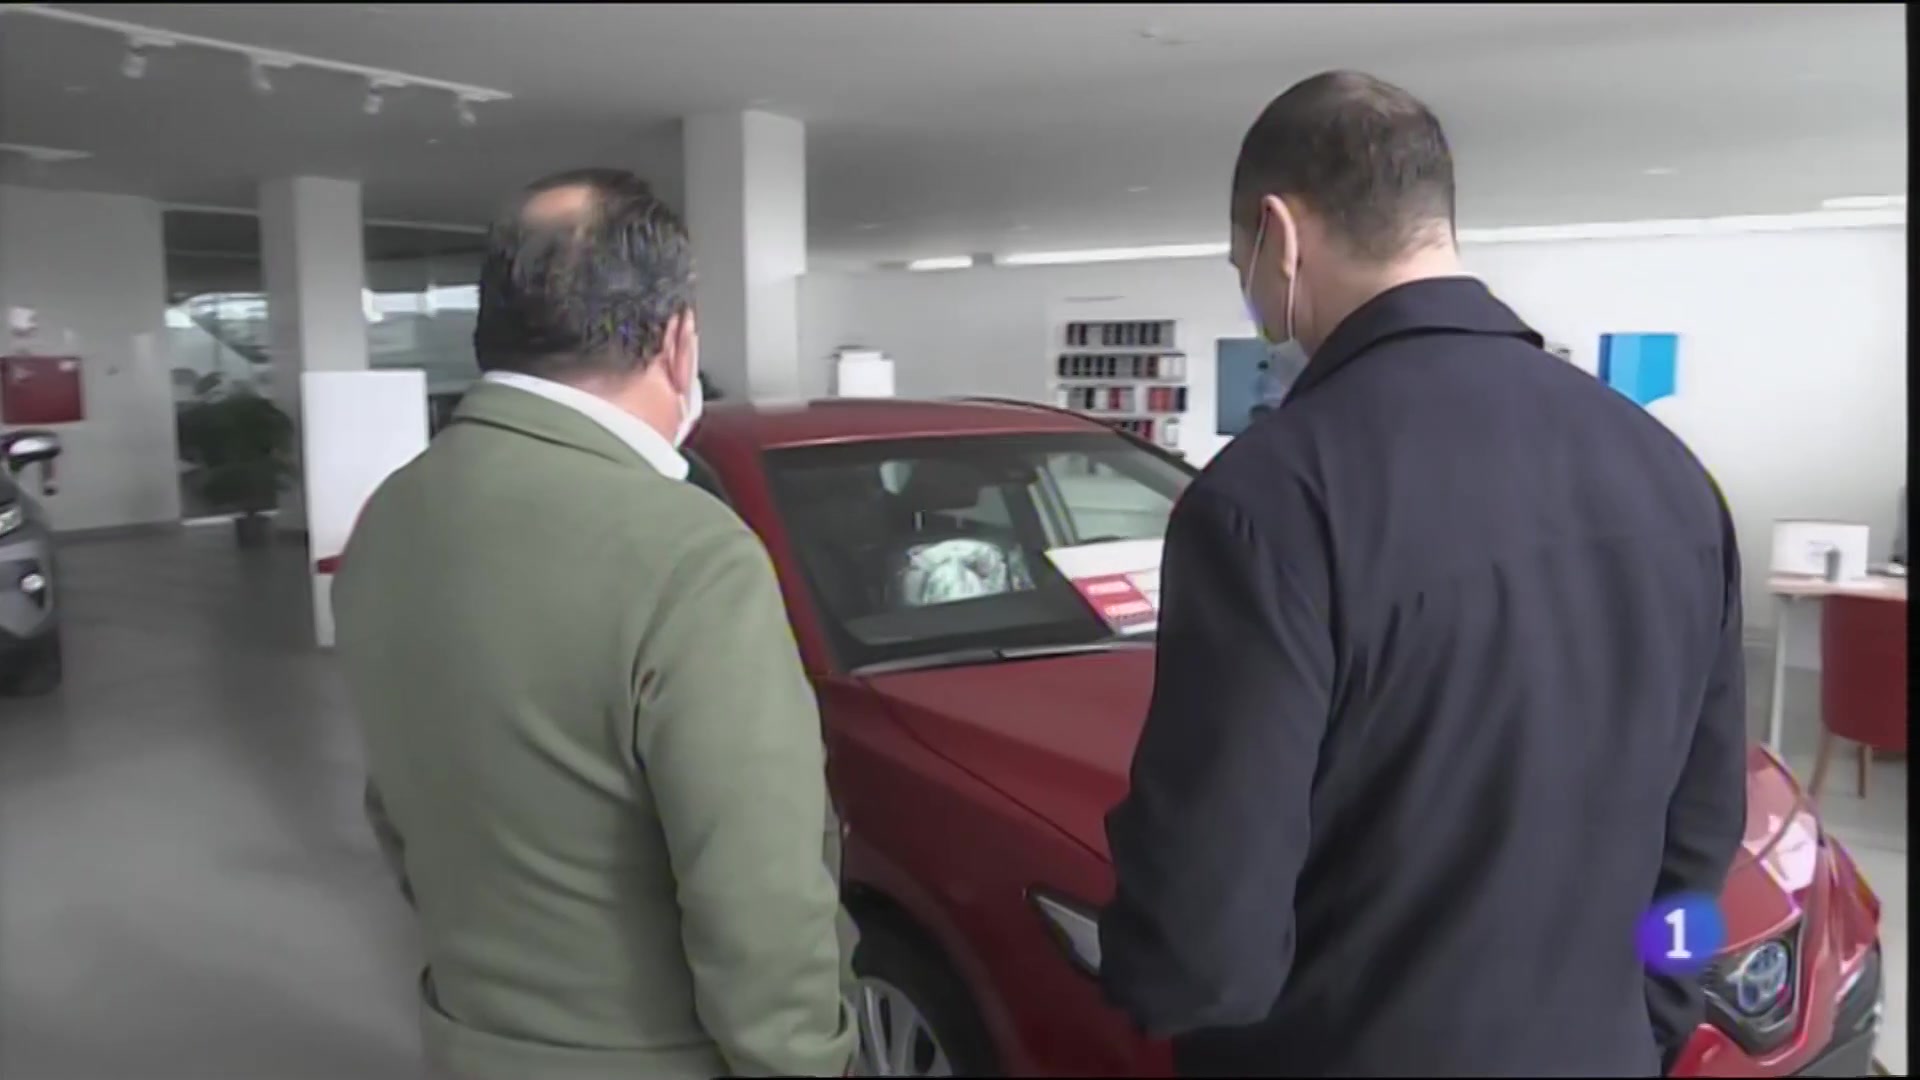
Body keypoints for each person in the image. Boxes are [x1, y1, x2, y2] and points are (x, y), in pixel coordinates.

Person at [1099, 72, 1746, 1077]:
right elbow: (1702, 836)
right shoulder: (1670, 473)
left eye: (1239, 262)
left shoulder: (1269, 499)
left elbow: (1203, 950)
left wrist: (1148, 965)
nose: (1251, 288)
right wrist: (1654, 1011)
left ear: (1278, 235)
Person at [333, 169, 856, 1080]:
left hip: (469, 1038)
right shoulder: (689, 553)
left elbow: (397, 809)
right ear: (679, 340)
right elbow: (757, 896)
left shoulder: (391, 517)